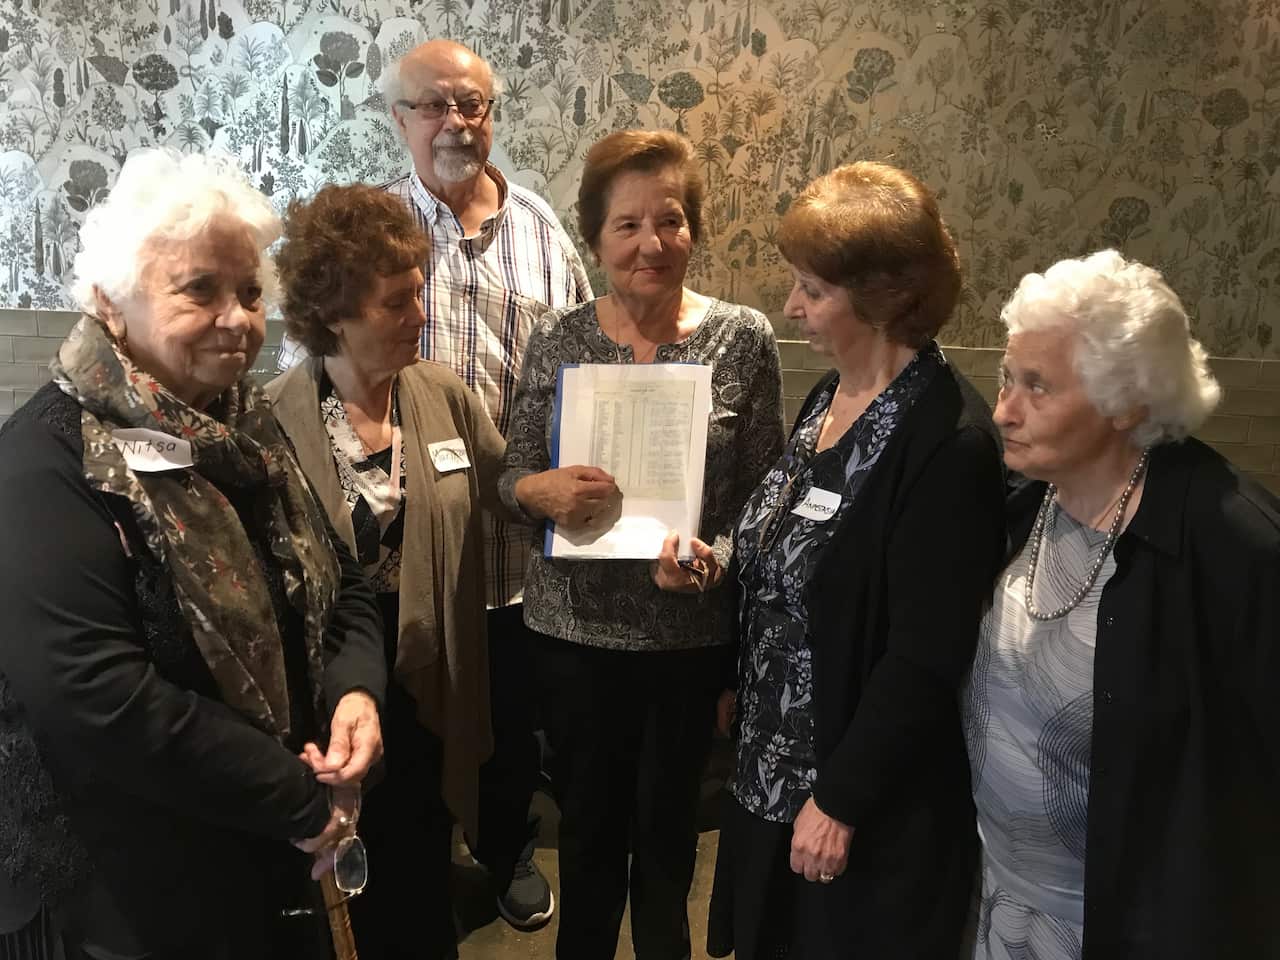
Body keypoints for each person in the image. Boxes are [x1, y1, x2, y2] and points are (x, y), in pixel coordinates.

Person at [0, 149, 387, 960]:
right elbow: (95, 697)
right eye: (198, 289)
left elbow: (341, 579)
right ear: (111, 303)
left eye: (249, 292)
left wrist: (357, 693)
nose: (237, 318)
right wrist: (297, 796)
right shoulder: (46, 460)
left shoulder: (244, 428)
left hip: (255, 856)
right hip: (124, 893)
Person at [278, 39, 592, 926]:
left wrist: (563, 491)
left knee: (499, 728)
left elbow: (571, 374)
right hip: (374, 590)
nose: (457, 123)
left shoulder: (539, 229)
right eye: (435, 106)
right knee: (395, 758)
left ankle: (502, 854)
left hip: (505, 557)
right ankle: (392, 872)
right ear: (400, 119)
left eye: (474, 105)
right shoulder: (371, 230)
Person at [706, 161, 1007, 959]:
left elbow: (927, 651)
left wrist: (840, 800)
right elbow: (791, 552)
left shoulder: (948, 442)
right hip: (771, 761)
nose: (791, 306)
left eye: (813, 289)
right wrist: (721, 570)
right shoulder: (827, 399)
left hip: (853, 797)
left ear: (884, 298)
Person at [499, 128, 784, 960]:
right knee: (585, 839)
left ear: (693, 230)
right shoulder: (558, 339)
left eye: (670, 221)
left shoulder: (742, 339)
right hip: (573, 636)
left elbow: (763, 497)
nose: (650, 244)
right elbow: (511, 473)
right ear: (594, 239)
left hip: (686, 640)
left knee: (667, 847)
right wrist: (532, 490)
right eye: (626, 225)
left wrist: (715, 561)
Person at [964, 250, 1280, 960]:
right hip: (997, 902)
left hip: (1131, 929)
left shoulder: (1232, 543)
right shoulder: (1023, 500)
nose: (1004, 411)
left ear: (1128, 402)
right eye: (1006, 378)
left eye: (1038, 387)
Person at [268, 182, 509, 959]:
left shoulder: (442, 394)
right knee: (336, 881)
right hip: (332, 700)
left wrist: (548, 492)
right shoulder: (270, 420)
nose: (421, 317)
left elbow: (502, 485)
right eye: (396, 304)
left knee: (421, 867)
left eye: (420, 294)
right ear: (333, 314)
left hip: (433, 682)